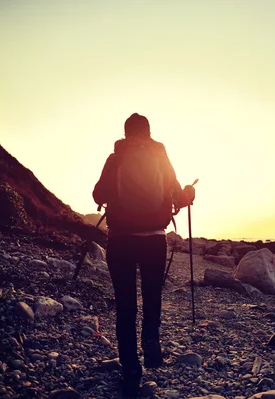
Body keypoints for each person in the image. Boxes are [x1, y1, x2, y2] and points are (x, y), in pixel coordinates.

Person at [92, 113, 195, 397]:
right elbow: (179, 197)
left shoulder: (116, 158)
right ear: (149, 133)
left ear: (126, 133)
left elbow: (98, 195)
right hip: (154, 240)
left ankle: (131, 369)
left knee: (125, 304)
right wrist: (190, 193)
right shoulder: (160, 156)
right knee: (152, 294)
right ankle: (151, 339)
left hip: (121, 241)